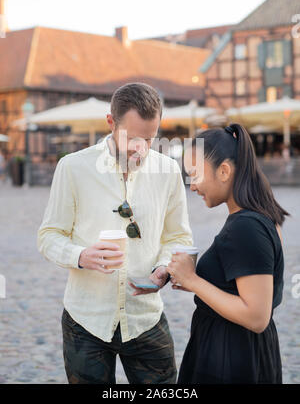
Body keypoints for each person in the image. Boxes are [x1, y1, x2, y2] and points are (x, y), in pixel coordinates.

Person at [37, 82, 193, 384]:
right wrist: (80, 255)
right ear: (111, 122)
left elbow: (178, 237)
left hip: (145, 318)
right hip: (85, 321)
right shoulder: (72, 168)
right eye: (133, 138)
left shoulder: (169, 171)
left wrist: (163, 268)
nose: (142, 148)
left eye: (150, 138)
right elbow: (48, 236)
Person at [167, 123, 289, 384]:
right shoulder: (261, 215)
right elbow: (243, 289)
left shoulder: (246, 227)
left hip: (229, 358)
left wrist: (193, 281)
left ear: (224, 171)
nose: (192, 187)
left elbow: (256, 316)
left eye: (196, 175)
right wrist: (202, 283)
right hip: (247, 352)